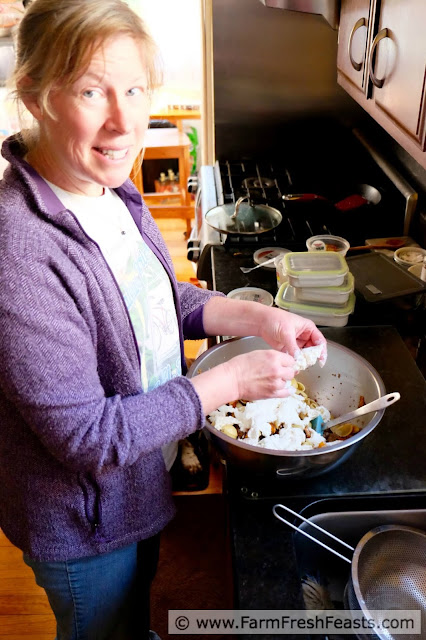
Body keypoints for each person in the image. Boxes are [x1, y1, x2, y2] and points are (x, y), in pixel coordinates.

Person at [0, 0, 327, 638]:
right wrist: (225, 385)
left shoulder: (107, 185)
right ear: (36, 96)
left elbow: (155, 299)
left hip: (137, 481)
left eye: (134, 88)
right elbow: (88, 438)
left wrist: (260, 318)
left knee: (136, 605)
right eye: (91, 90)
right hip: (84, 522)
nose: (124, 122)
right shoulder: (20, 254)